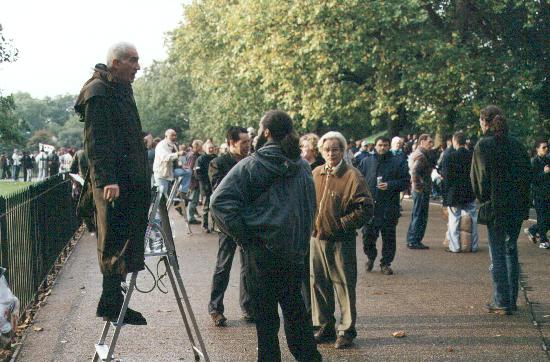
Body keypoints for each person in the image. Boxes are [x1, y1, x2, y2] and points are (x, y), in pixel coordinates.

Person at [211, 111, 322, 361]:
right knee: (297, 316)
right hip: (293, 252)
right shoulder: (302, 165)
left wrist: (244, 236)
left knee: (266, 324)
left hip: (261, 253)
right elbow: (309, 208)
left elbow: (218, 202)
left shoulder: (251, 165)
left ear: (267, 132)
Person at [74, 41, 149, 325]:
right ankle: (111, 304)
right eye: (133, 60)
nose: (138, 66)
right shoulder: (98, 92)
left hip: (127, 182)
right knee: (114, 241)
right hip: (113, 185)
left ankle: (111, 302)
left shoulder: (118, 88)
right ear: (116, 63)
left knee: (123, 239)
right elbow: (96, 142)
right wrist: (108, 180)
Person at [311, 131, 372, 349]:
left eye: (335, 149)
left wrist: (342, 224)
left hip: (341, 241)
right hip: (316, 239)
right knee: (318, 284)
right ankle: (325, 326)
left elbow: (366, 207)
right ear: (321, 151)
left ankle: (346, 330)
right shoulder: (316, 173)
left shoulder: (353, 175)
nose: (331, 153)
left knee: (344, 286)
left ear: (343, 150)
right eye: (326, 149)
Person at [471, 105, 531, 315]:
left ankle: (501, 299)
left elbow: (479, 180)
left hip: (496, 206)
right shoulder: (517, 145)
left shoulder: (483, 145)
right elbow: (527, 175)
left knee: (497, 253)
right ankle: (511, 299)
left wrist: (483, 199)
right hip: (516, 207)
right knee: (510, 250)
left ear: (483, 122)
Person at [207, 127, 253, 326]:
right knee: (223, 266)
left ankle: (248, 307)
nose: (248, 145)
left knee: (248, 266)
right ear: (232, 142)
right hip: (227, 223)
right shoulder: (218, 163)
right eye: (243, 142)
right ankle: (215, 309)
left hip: (248, 221)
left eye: (248, 142)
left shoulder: (251, 161)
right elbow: (219, 193)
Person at [359, 136, 409, 275]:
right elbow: (358, 180)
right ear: (375, 146)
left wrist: (390, 185)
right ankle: (371, 256)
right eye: (380, 145)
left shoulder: (398, 162)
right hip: (370, 208)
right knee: (367, 237)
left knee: (389, 238)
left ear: (389, 146)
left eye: (385, 145)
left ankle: (385, 263)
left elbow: (405, 181)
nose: (383, 148)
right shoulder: (366, 161)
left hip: (389, 207)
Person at [441, 132, 478, 252]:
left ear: (454, 142)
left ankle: (455, 246)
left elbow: (446, 179)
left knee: (454, 220)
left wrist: (445, 198)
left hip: (454, 193)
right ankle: (473, 245)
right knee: (473, 219)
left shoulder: (449, 157)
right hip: (469, 192)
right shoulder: (472, 156)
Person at [405, 134, 434, 249]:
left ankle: (412, 239)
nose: (431, 145)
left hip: (419, 189)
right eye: (429, 142)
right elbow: (414, 172)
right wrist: (419, 186)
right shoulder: (421, 156)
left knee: (417, 214)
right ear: (422, 142)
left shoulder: (419, 154)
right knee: (419, 215)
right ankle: (414, 240)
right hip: (421, 190)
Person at [525, 139, 550, 248]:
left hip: (547, 193)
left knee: (546, 218)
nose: (546, 149)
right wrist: (544, 173)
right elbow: (532, 179)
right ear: (537, 149)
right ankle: (543, 241)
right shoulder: (533, 161)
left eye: (547, 147)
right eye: (543, 147)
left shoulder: (547, 160)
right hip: (538, 194)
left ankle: (532, 229)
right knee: (542, 217)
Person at [153, 129, 187, 195]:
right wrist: (178, 154)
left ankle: (183, 191)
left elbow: (176, 160)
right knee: (162, 196)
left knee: (188, 172)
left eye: (175, 135)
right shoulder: (161, 145)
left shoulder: (174, 145)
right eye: (172, 135)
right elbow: (165, 157)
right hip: (162, 174)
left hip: (171, 173)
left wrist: (181, 166)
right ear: (166, 136)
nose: (174, 137)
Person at [196, 141, 217, 232]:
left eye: (212, 147)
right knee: (206, 207)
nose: (211, 149)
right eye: (209, 148)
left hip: (215, 186)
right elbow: (198, 173)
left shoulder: (217, 158)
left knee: (215, 206)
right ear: (205, 149)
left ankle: (215, 226)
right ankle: (205, 225)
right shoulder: (200, 159)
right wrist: (205, 183)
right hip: (205, 186)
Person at [186, 140, 203, 224]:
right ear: (197, 146)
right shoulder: (194, 156)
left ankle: (191, 216)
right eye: (201, 145)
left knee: (193, 199)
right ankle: (191, 217)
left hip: (191, 181)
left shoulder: (190, 154)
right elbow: (191, 168)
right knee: (193, 199)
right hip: (194, 181)